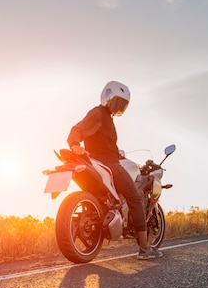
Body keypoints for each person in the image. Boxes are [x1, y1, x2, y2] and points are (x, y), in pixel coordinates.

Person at [67, 80, 163, 260]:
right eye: (116, 102)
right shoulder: (98, 113)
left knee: (123, 197)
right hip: (108, 164)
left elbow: (106, 145)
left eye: (122, 104)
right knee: (135, 198)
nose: (119, 107)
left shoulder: (107, 118)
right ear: (107, 97)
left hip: (107, 160)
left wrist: (119, 155)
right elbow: (78, 128)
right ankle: (144, 248)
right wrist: (74, 144)